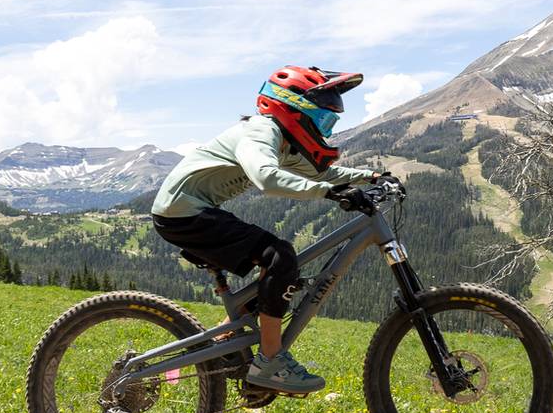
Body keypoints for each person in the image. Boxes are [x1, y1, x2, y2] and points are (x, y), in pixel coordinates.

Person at [151, 66, 388, 394]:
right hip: (182, 214)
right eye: (324, 119)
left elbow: (321, 174)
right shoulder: (261, 131)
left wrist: (370, 176)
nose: (326, 129)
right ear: (293, 108)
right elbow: (266, 176)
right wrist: (331, 193)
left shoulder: (284, 140)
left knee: (275, 276)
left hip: (190, 212)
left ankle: (225, 342)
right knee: (280, 257)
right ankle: (270, 361)